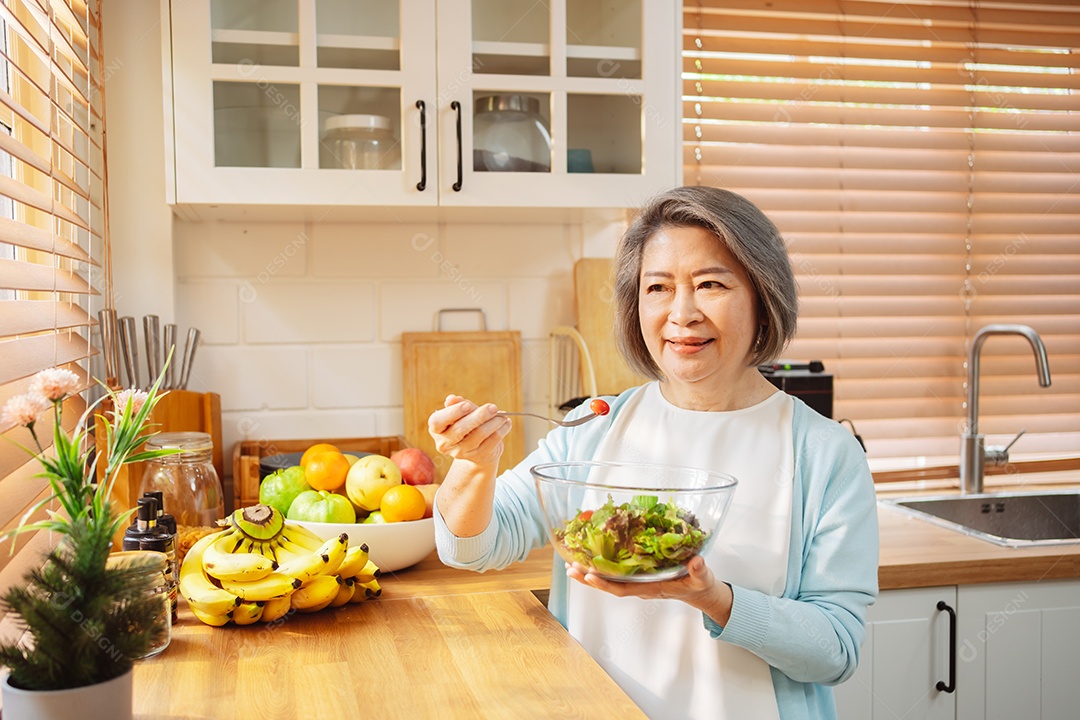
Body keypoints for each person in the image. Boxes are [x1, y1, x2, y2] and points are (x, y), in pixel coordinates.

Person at [427, 186, 879, 720]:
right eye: (658, 287)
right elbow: (473, 547)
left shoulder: (825, 453)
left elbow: (836, 650)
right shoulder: (594, 426)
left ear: (763, 297)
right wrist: (474, 466)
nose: (681, 313)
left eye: (710, 284)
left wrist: (715, 599)